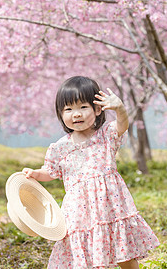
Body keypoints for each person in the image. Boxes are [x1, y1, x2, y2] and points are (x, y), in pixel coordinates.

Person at [22, 76, 159, 269]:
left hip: (110, 207)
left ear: (97, 109)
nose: (76, 114)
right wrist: (36, 174)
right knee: (85, 256)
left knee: (123, 251)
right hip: (79, 212)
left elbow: (122, 126)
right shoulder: (59, 148)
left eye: (82, 107)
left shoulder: (105, 136)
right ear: (61, 114)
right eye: (68, 109)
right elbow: (50, 172)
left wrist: (120, 109)